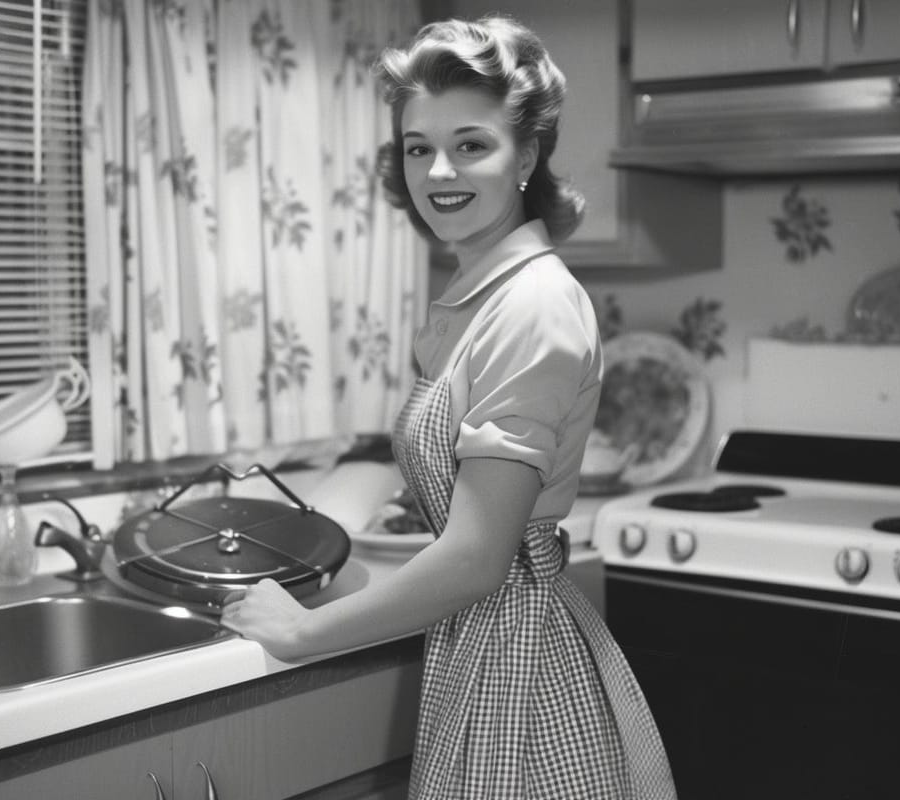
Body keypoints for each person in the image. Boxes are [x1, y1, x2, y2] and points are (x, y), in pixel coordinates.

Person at [220, 15, 677, 799]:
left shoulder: (533, 304)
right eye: (418, 147)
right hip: (482, 638)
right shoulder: (482, 297)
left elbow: (474, 556)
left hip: (521, 660)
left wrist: (300, 631)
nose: (438, 171)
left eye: (471, 144)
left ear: (526, 154)